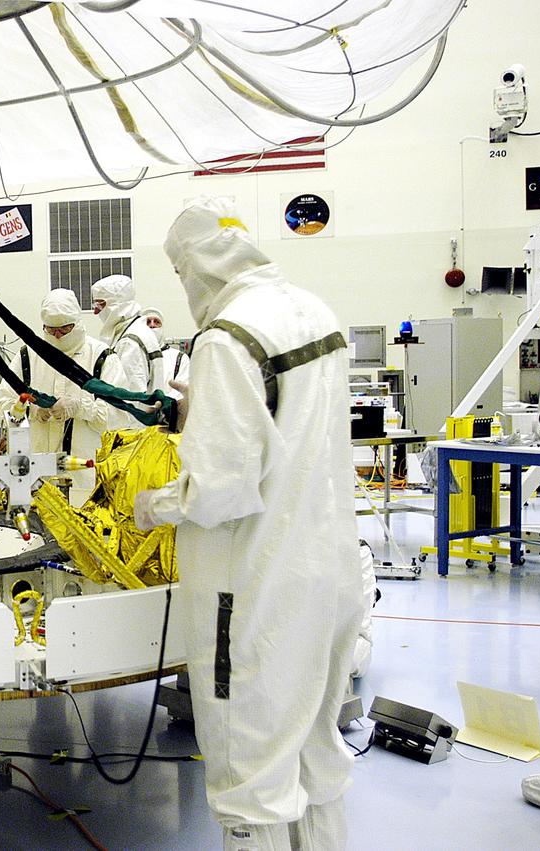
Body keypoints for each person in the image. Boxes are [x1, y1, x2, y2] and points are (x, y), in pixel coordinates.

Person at [133, 198, 360, 850]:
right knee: (316, 759)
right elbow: (286, 434)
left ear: (196, 267)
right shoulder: (316, 312)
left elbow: (220, 490)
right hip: (331, 574)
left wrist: (155, 505)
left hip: (259, 593)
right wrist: (200, 409)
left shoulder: (228, 335)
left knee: (249, 784)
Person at [0, 290, 123, 503]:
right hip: (33, 480)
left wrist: (81, 408)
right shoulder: (28, 356)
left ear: (77, 324)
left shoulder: (101, 357)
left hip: (85, 481)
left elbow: (119, 418)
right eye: (51, 330)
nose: (58, 336)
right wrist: (28, 410)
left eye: (65, 329)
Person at [91, 274, 163, 405]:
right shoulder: (135, 330)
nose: (96, 311)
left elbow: (130, 396)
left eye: (100, 305)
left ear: (116, 304)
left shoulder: (130, 341)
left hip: (131, 423)